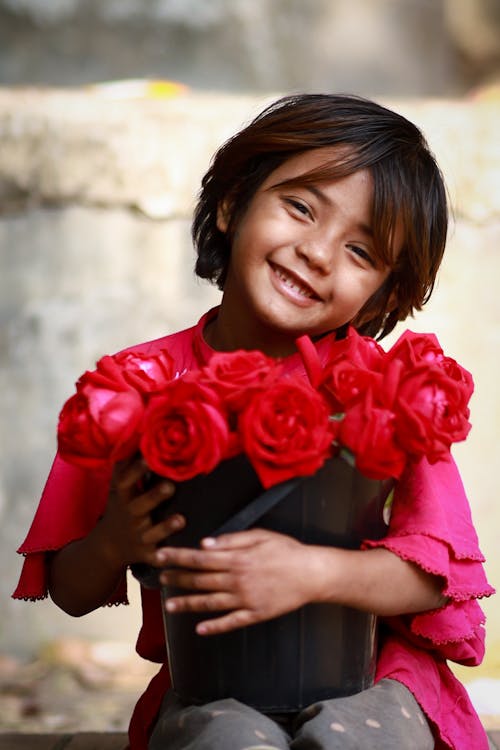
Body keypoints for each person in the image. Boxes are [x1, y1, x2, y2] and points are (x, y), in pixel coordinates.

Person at [14, 94, 493, 750]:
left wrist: (315, 574)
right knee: (228, 740)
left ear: (384, 293)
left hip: (379, 679)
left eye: (361, 251)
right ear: (232, 203)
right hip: (214, 681)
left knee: (352, 738)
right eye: (300, 207)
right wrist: (115, 541)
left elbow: (439, 575)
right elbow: (69, 590)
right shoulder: (133, 387)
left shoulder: (394, 392)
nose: (319, 252)